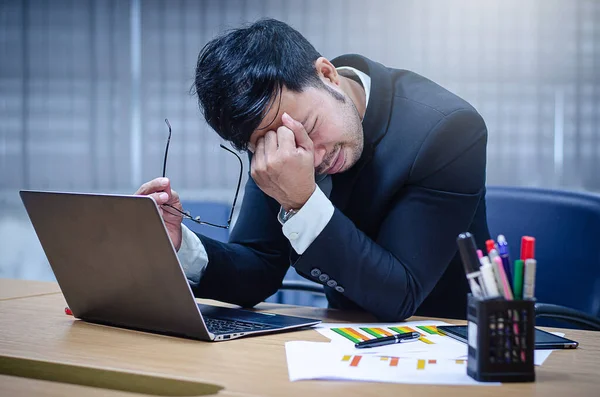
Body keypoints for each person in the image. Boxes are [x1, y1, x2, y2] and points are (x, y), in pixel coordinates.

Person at [136, 18, 490, 321]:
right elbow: (259, 268)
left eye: (311, 124)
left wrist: (301, 201)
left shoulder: (447, 130)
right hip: (340, 337)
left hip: (446, 339)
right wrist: (181, 246)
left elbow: (402, 294)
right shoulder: (275, 137)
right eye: (277, 144)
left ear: (327, 74)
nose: (314, 156)